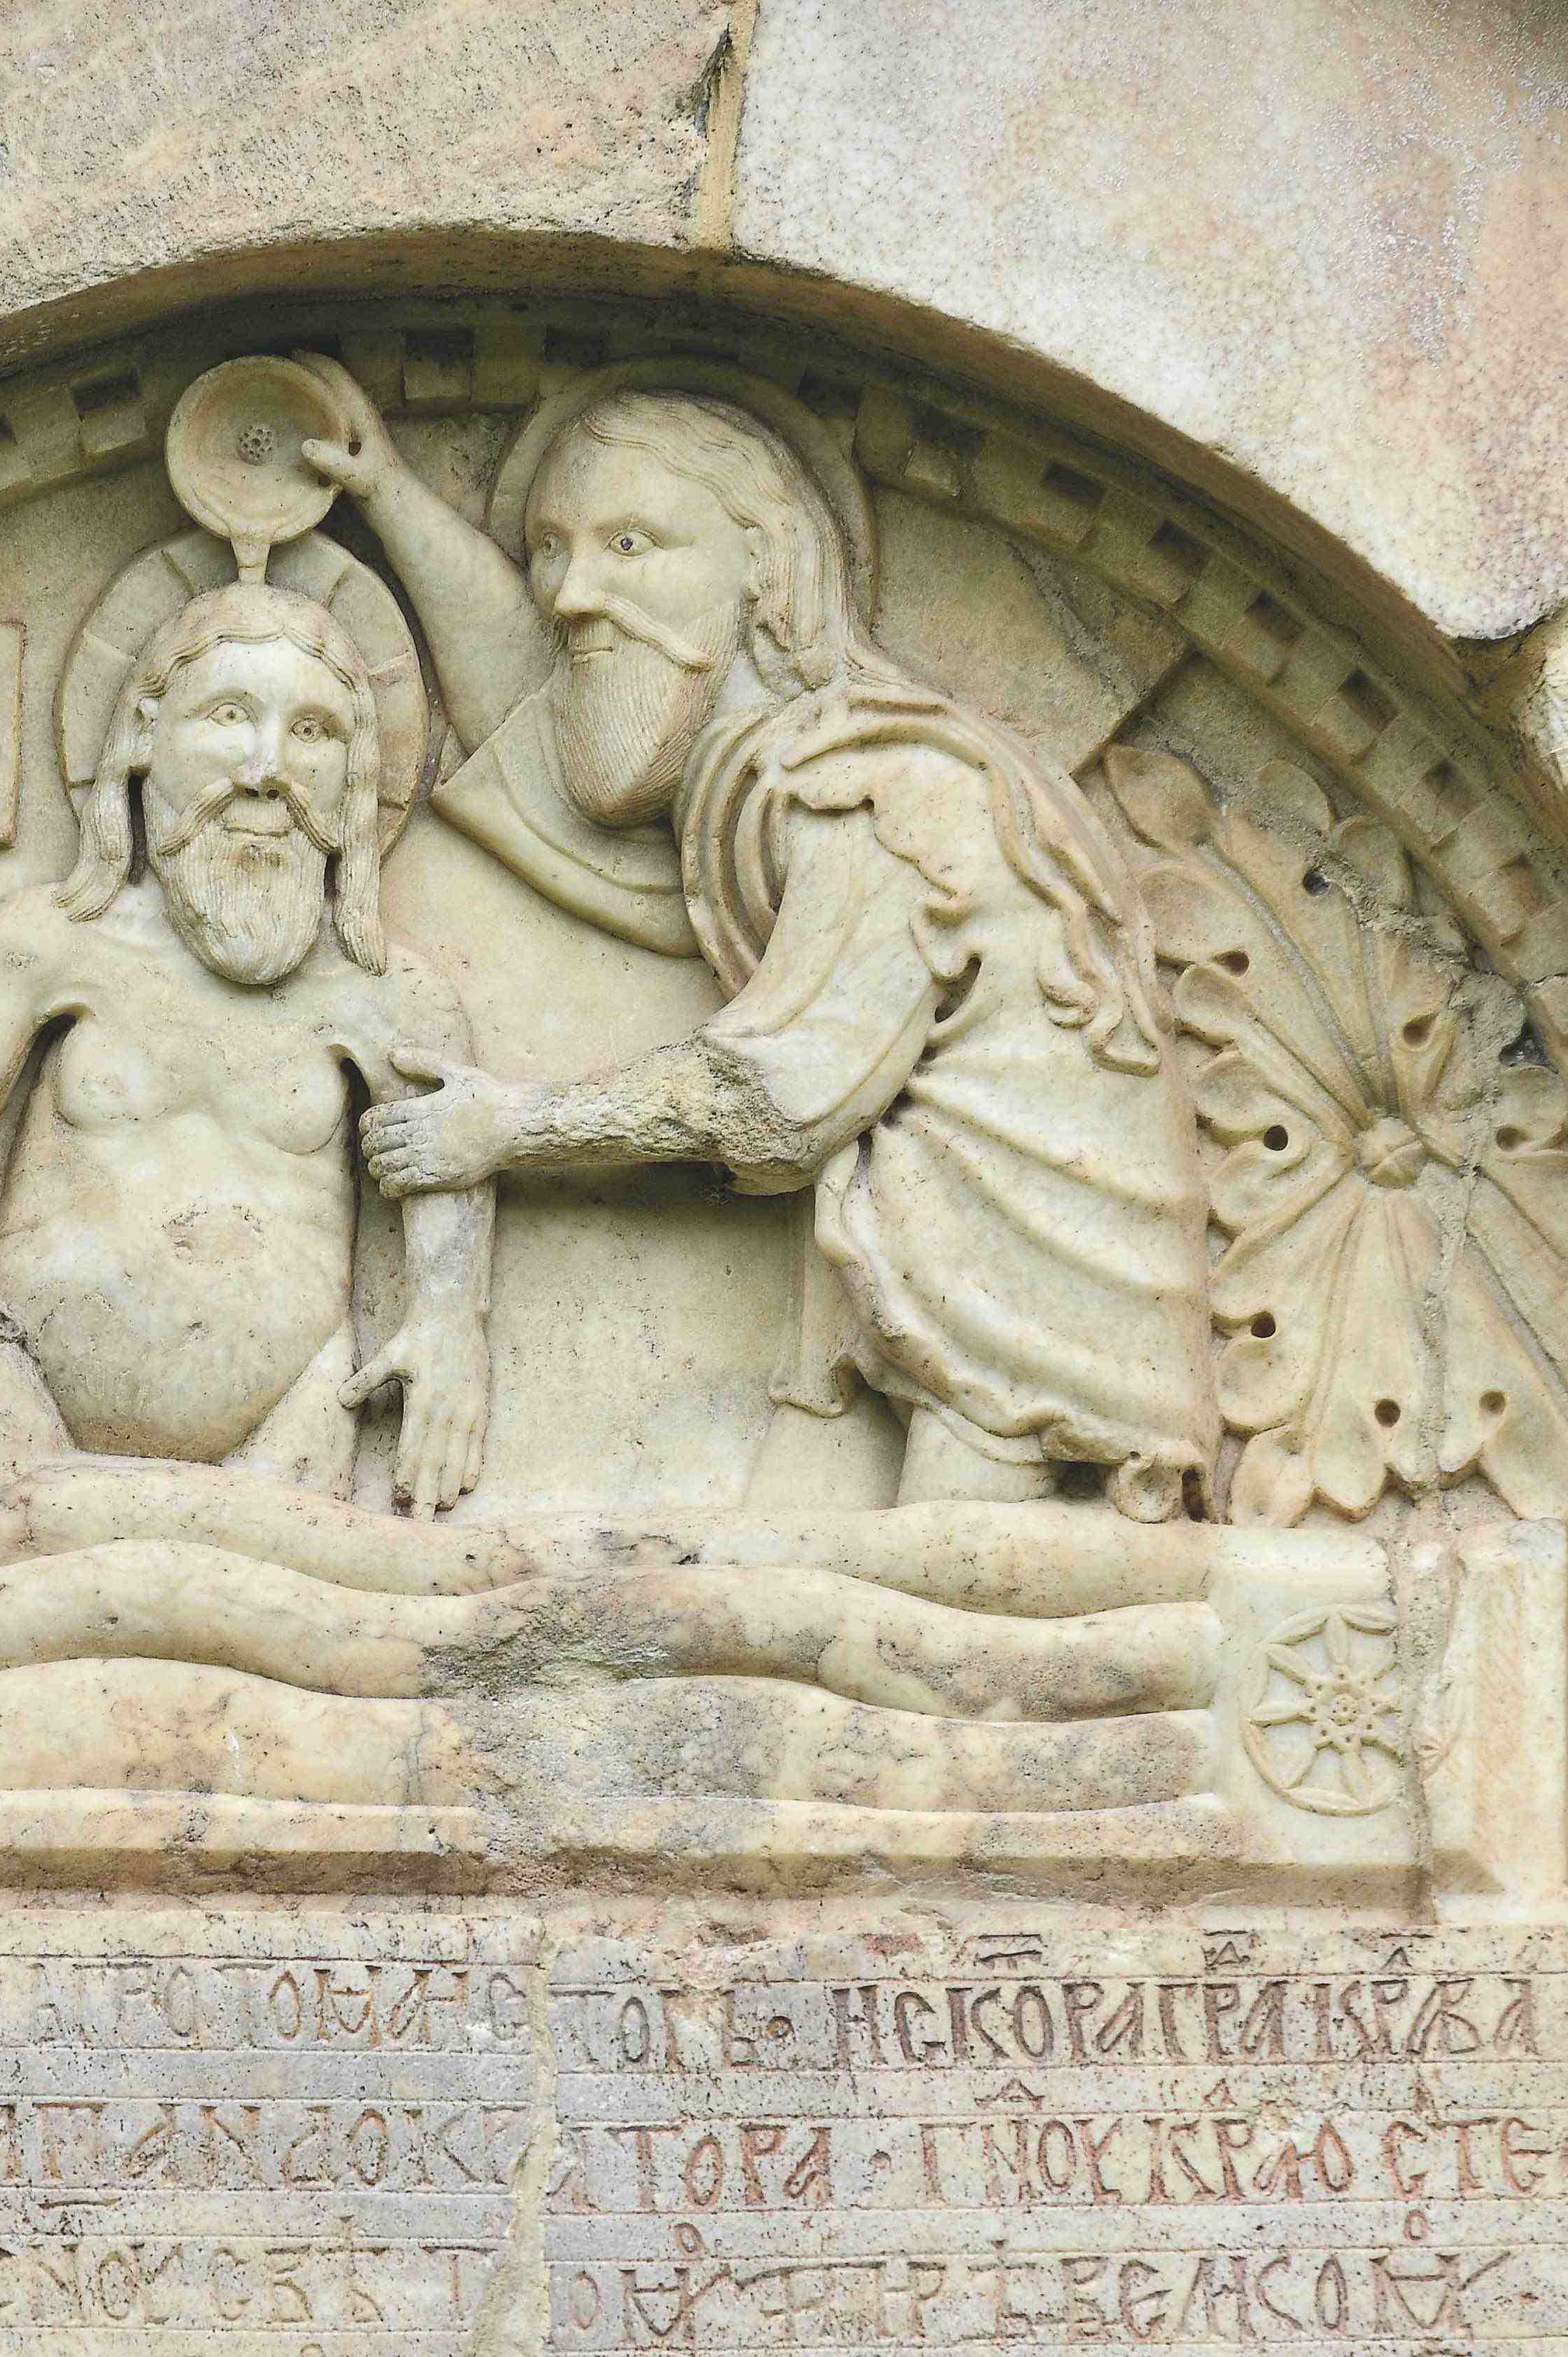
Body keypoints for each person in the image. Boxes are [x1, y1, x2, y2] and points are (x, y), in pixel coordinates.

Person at [309, 370, 1214, 1518]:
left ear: (766, 566)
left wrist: (505, 1129)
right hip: (904, 1295)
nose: (571, 594)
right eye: (550, 549)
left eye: (631, 543)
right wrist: (384, 490)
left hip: (1031, 1308)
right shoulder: (740, 789)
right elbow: (533, 730)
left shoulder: (869, 792)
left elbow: (773, 1101)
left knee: (949, 1624)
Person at [0, 576, 490, 1510]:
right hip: (22, 1404)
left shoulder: (389, 995)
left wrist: (447, 1330)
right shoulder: (47, 939)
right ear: (144, 734)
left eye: (312, 732)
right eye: (230, 716)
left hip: (293, 1428)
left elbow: (442, 1156)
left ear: (354, 776)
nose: (267, 769)